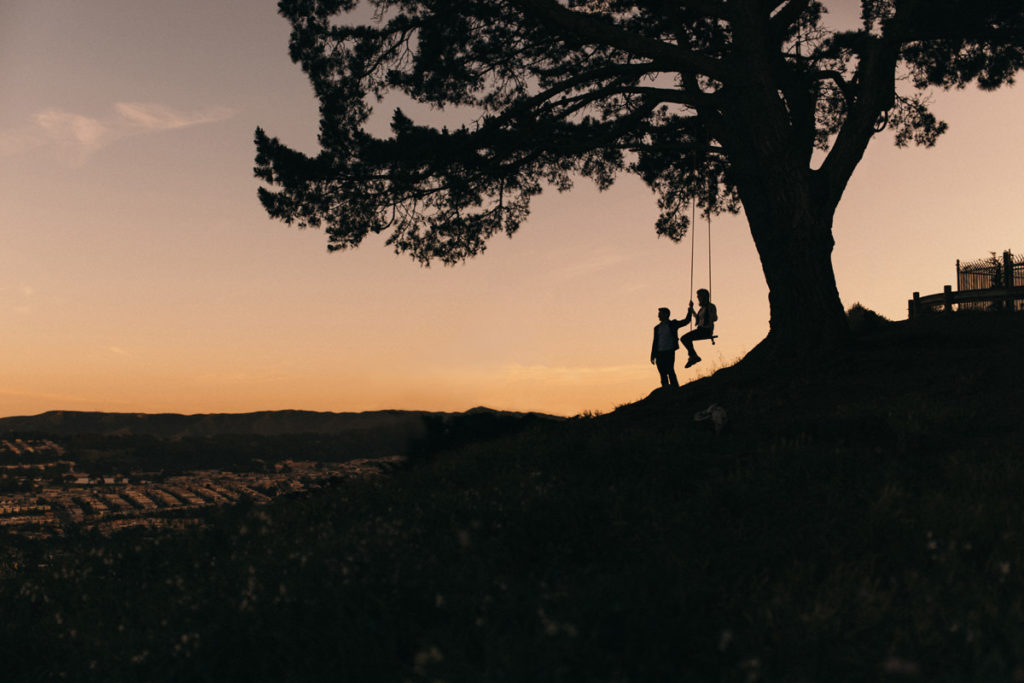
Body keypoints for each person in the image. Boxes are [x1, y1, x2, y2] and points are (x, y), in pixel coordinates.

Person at [679, 288, 717, 368]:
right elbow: (698, 319)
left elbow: (715, 318)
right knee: (684, 338)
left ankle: (693, 356)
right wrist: (692, 310)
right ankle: (693, 356)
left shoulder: (711, 306)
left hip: (706, 330)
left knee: (684, 338)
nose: (698, 298)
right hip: (700, 329)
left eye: (699, 296)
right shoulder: (702, 309)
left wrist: (711, 315)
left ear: (704, 297)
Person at [650, 307, 687, 388]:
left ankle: (675, 388)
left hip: (669, 351)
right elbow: (655, 341)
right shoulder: (657, 328)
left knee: (670, 371)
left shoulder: (673, 324)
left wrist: (689, 311)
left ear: (666, 315)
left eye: (660, 314)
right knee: (662, 373)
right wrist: (653, 355)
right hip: (659, 353)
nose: (658, 315)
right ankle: (666, 390)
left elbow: (686, 321)